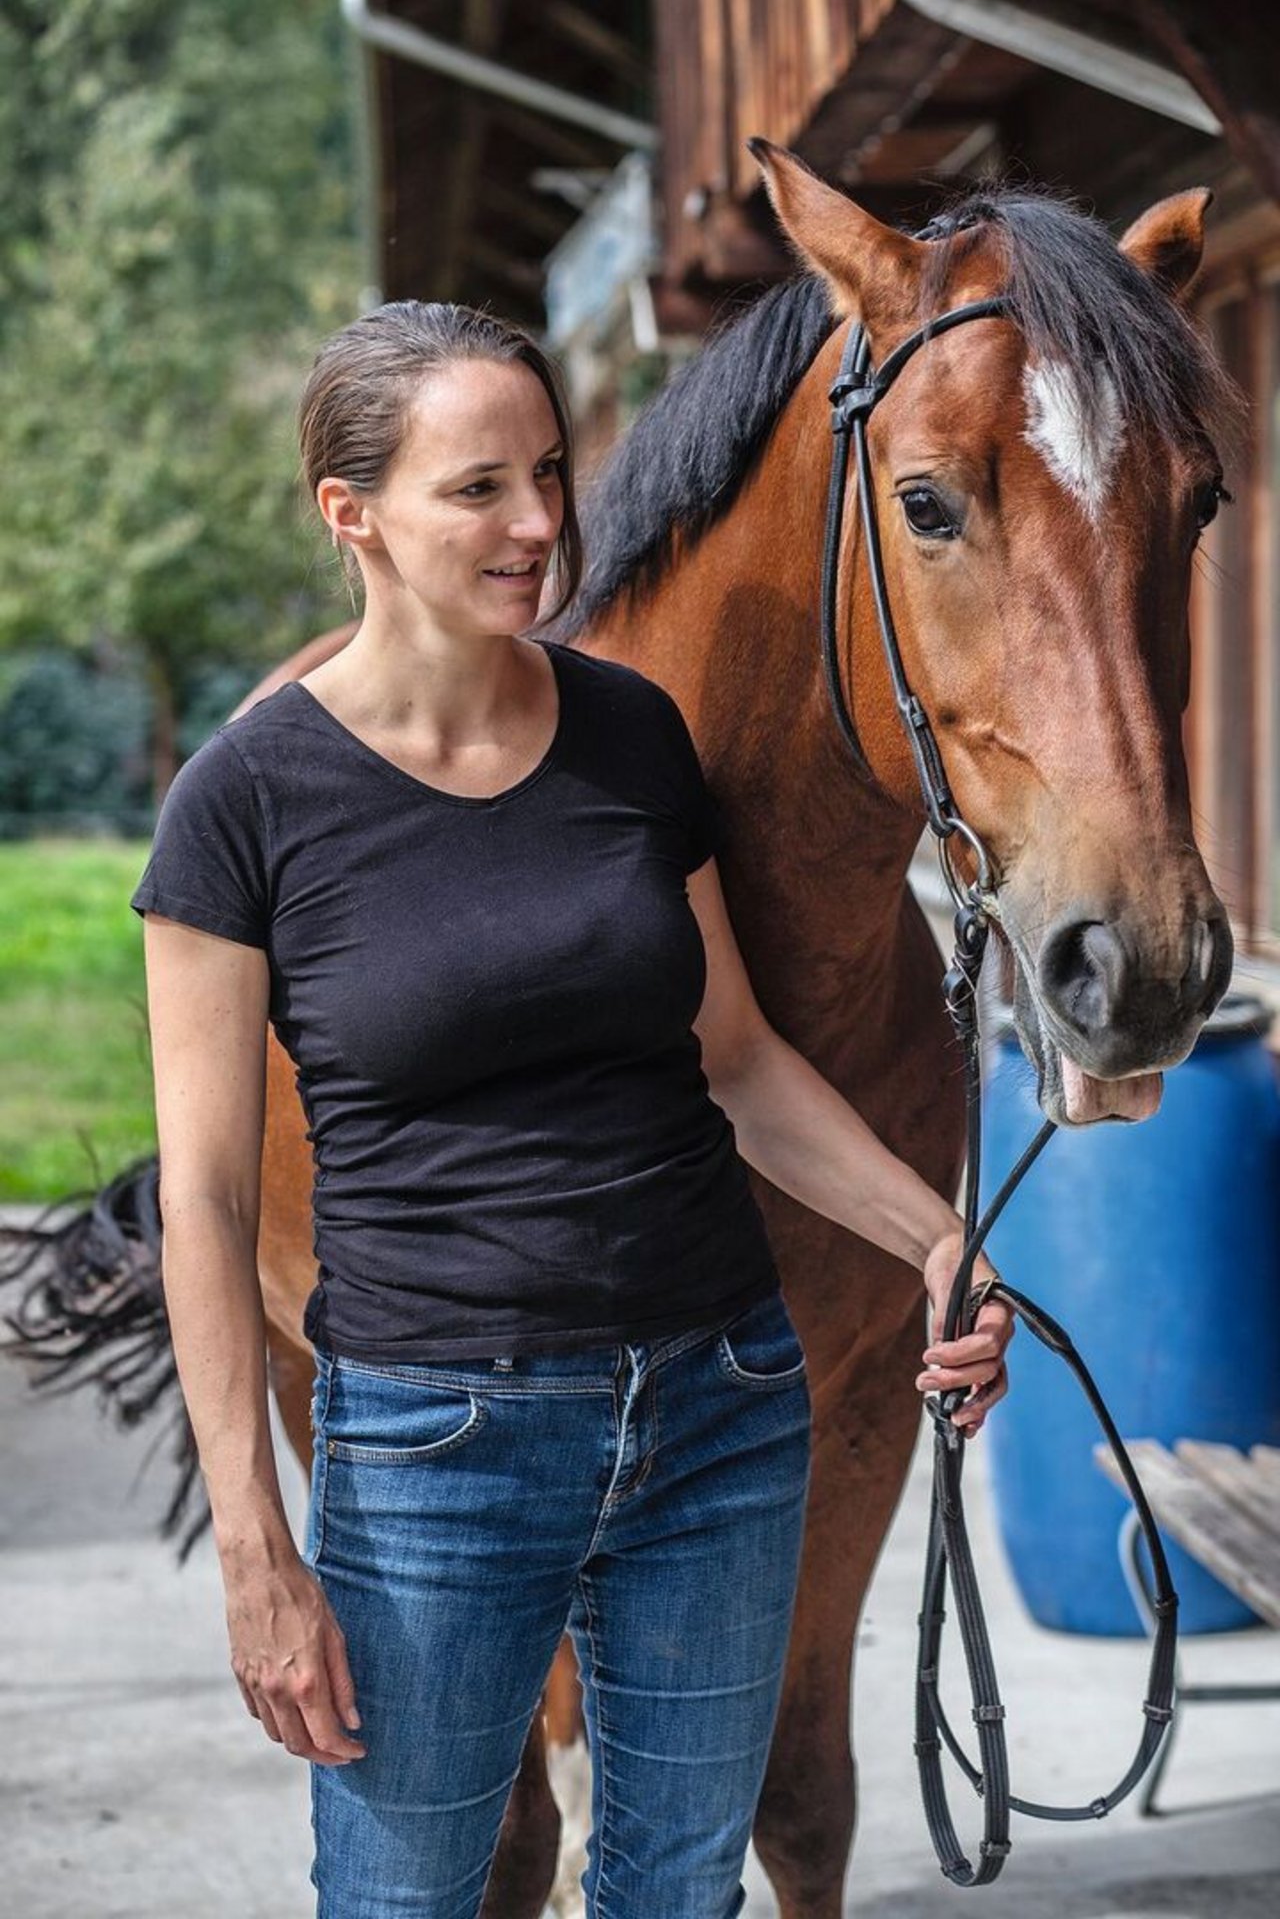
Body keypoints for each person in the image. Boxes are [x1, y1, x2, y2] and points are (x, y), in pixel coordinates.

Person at [131, 302, 1012, 1919]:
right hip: (433, 1449)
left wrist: (933, 1234)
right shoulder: (245, 801)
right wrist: (260, 1554)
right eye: (479, 489)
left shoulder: (628, 736)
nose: (541, 525)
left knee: (679, 1895)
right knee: (412, 1895)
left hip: (717, 1411)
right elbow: (199, 1192)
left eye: (548, 473)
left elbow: (735, 1059)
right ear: (354, 513)